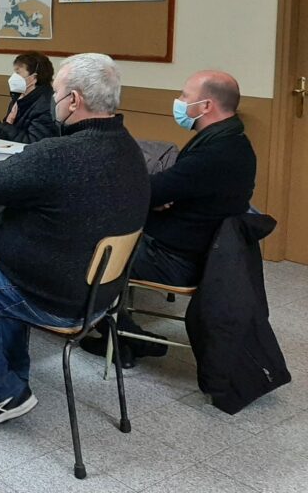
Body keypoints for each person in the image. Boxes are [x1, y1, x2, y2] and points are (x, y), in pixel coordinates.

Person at [0, 53, 150, 428]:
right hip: (99, 291)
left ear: (74, 101)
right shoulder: (129, 148)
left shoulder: (60, 154)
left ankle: (3, 391)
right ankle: (15, 376)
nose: (53, 102)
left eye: (57, 93)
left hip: (46, 289)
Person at [82, 70, 258, 365]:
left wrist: (151, 197)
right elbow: (168, 188)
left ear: (206, 106)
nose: (178, 101)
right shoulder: (232, 141)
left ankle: (123, 336)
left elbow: (151, 189)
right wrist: (158, 197)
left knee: (88, 253)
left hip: (177, 259)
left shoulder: (215, 152)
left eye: (185, 96)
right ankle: (124, 337)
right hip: (197, 249)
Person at [0, 51, 56, 143]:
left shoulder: (46, 104)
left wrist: (1, 130)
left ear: (34, 78)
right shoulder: (19, 97)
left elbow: (34, 141)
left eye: (18, 73)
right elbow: (10, 126)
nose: (13, 77)